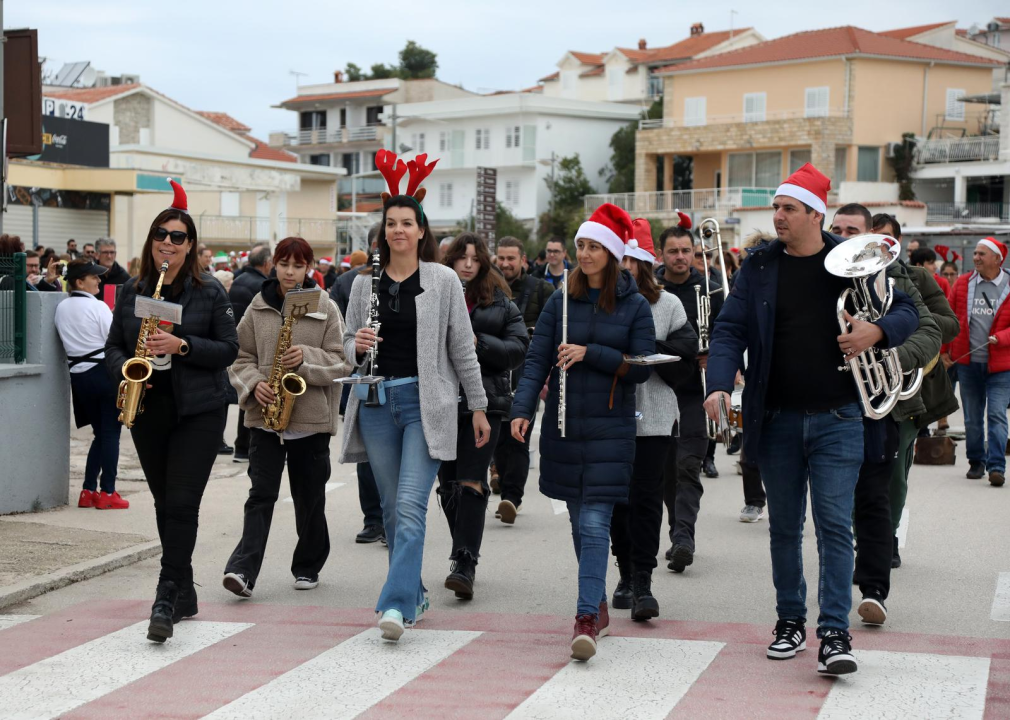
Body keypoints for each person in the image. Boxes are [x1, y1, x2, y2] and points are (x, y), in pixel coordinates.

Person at [705, 163, 917, 676]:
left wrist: (878, 332)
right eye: (776, 207)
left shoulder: (853, 261)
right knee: (783, 529)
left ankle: (835, 633)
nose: (777, 216)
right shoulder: (758, 267)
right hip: (775, 418)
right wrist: (717, 383)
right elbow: (730, 331)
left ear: (814, 214)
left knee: (833, 528)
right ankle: (789, 621)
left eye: (788, 209)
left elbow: (907, 309)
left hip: (840, 417)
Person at [339, 150, 490, 642]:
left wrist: (480, 405)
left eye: (407, 223)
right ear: (382, 232)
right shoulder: (365, 285)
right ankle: (416, 591)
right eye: (391, 224)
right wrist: (353, 344)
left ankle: (397, 604)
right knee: (388, 507)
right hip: (378, 403)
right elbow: (345, 348)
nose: (398, 230)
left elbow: (462, 348)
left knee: (409, 505)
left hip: (427, 406)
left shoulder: (443, 280)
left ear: (422, 231)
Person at [511, 203, 655, 662]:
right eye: (581, 246)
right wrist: (522, 409)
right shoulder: (561, 300)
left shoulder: (634, 305)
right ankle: (596, 602)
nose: (585, 254)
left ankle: (585, 619)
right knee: (579, 524)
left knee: (595, 523)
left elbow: (641, 368)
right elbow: (536, 359)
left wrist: (592, 353)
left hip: (611, 430)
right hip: (563, 426)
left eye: (594, 246)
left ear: (613, 253)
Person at [104, 180, 238, 643]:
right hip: (149, 406)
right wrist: (127, 368)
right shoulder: (131, 289)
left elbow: (228, 350)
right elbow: (113, 347)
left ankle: (165, 593)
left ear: (190, 244)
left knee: (182, 503)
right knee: (165, 505)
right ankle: (185, 590)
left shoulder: (210, 293)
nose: (168, 242)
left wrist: (182, 345)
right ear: (152, 240)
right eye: (162, 233)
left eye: (178, 236)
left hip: (199, 410)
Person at [831, 204, 943, 623]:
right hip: (830, 405)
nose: (844, 237)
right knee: (834, 505)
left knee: (875, 499)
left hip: (881, 405)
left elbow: (932, 329)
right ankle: (837, 588)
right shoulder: (818, 279)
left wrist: (886, 354)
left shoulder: (896, 279)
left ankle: (874, 590)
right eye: (837, 229)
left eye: (853, 230)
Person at [223, 237, 349, 599]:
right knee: (260, 495)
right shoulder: (258, 306)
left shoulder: (325, 306)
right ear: (273, 265)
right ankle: (242, 570)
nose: (290, 272)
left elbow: (341, 361)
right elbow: (239, 356)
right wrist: (253, 384)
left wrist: (305, 360)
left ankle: (308, 565)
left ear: (309, 268)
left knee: (310, 498)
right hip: (265, 419)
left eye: (298, 265)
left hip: (309, 419)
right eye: (284, 264)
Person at [437, 233, 528, 599]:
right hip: (441, 402)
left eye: (476, 258)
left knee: (472, 480)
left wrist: (478, 343)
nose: (469, 264)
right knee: (447, 487)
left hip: (487, 403)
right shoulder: (434, 296)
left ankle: (464, 562)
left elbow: (519, 349)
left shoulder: (501, 303)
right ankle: (464, 547)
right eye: (462, 257)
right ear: (451, 261)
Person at [609, 219, 691, 621]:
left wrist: (649, 349)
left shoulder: (668, 304)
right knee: (616, 503)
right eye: (619, 258)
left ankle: (643, 581)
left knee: (645, 500)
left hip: (655, 417)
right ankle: (624, 572)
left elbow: (686, 356)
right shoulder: (602, 302)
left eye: (632, 259)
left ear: (644, 263)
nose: (625, 266)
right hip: (610, 415)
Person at [654, 212, 719, 570]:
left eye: (686, 251)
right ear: (661, 254)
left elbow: (727, 332)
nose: (680, 257)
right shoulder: (650, 291)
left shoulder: (711, 289)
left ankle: (683, 539)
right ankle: (676, 530)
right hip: (658, 390)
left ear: (695, 252)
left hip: (696, 392)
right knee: (665, 470)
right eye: (673, 251)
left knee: (688, 466)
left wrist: (719, 359)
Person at [54, 260, 127, 510]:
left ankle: (87, 490)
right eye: (93, 278)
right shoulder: (98, 307)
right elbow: (114, 340)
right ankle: (108, 492)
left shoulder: (61, 307)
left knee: (101, 434)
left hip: (78, 376)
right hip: (103, 373)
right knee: (111, 434)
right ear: (78, 282)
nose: (98, 281)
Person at [492, 236, 555, 522]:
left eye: (511, 259)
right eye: (501, 258)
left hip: (526, 374)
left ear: (523, 260)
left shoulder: (542, 290)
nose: (505, 264)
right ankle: (502, 481)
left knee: (519, 435)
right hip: (493, 372)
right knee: (498, 438)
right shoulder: (488, 288)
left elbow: (554, 333)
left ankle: (511, 497)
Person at [331, 231, 385, 546]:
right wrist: (359, 345)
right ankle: (373, 519)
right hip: (367, 376)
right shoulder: (358, 281)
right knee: (367, 456)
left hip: (404, 379)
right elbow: (345, 334)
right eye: (377, 246)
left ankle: (393, 521)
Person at [947, 237, 1010, 487]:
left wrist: (1002, 337)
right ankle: (976, 461)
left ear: (997, 258)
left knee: (996, 414)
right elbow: (948, 318)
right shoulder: (963, 283)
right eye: (975, 253)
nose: (976, 258)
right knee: (972, 417)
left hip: (1001, 366)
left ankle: (996, 466)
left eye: (982, 254)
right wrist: (944, 352)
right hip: (968, 362)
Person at [228, 245, 273, 462]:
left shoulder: (238, 280)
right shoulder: (261, 286)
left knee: (245, 395)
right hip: (252, 345)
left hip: (234, 341)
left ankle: (240, 447)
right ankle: (245, 447)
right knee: (255, 398)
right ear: (266, 264)